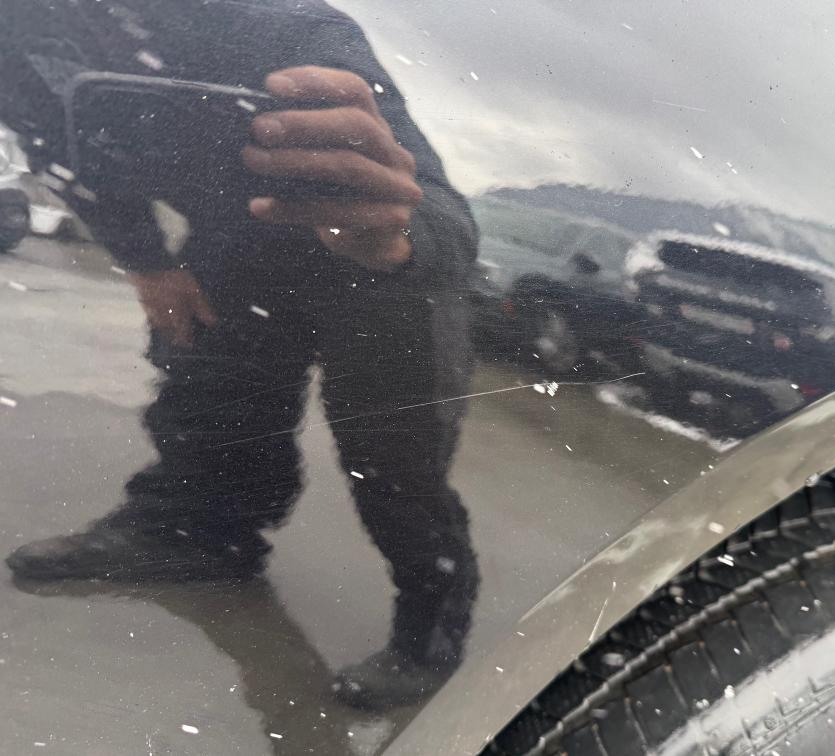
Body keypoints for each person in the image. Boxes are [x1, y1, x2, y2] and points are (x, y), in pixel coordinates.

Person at [0, 0, 479, 708]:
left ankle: (432, 621)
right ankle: (199, 533)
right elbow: (62, 151)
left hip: (378, 257)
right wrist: (147, 262)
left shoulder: (285, 26)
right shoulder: (16, 28)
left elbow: (440, 206)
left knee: (392, 451)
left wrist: (397, 235)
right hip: (237, 236)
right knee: (205, 383)